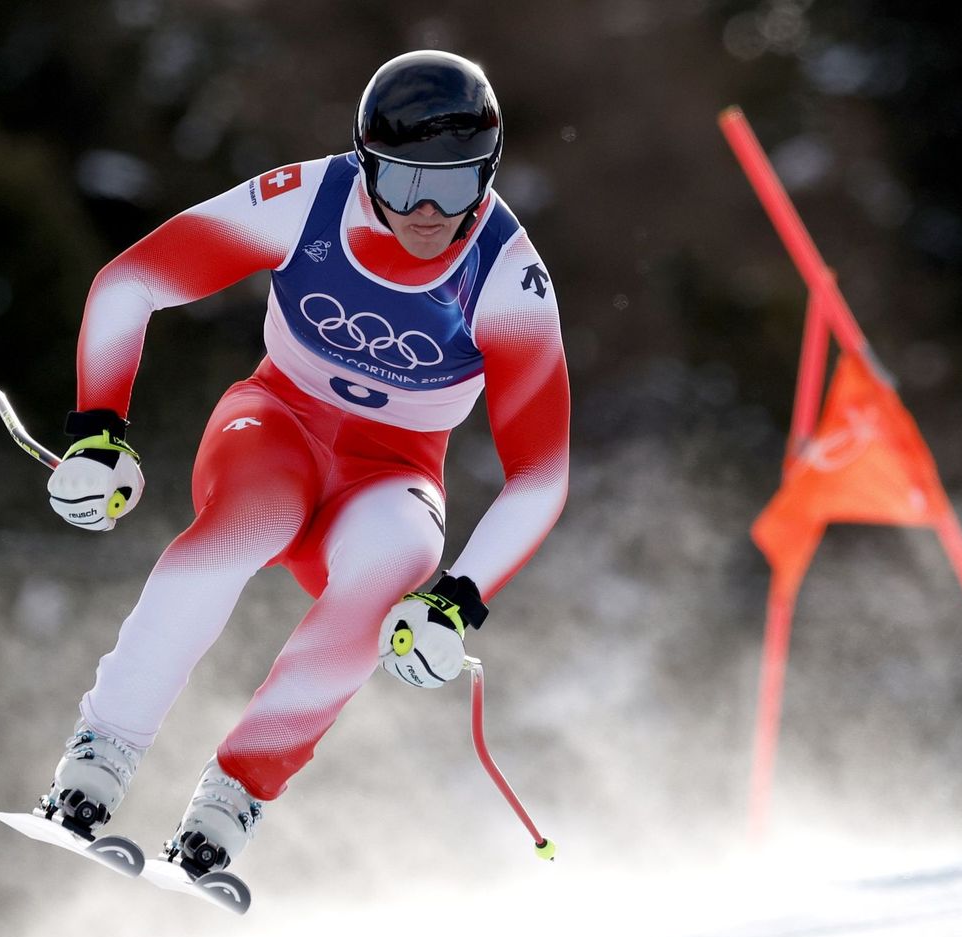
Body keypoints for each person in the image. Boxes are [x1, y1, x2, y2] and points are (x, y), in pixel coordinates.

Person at [37, 49, 569, 878]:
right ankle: (100, 756)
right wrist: (96, 430)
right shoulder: (307, 199)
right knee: (254, 521)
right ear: (365, 168)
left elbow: (541, 475)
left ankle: (235, 795)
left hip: (390, 474)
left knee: (402, 556)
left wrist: (457, 603)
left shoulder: (505, 274)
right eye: (400, 184)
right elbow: (129, 283)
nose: (428, 212)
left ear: (490, 178)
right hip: (276, 424)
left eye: (458, 187)